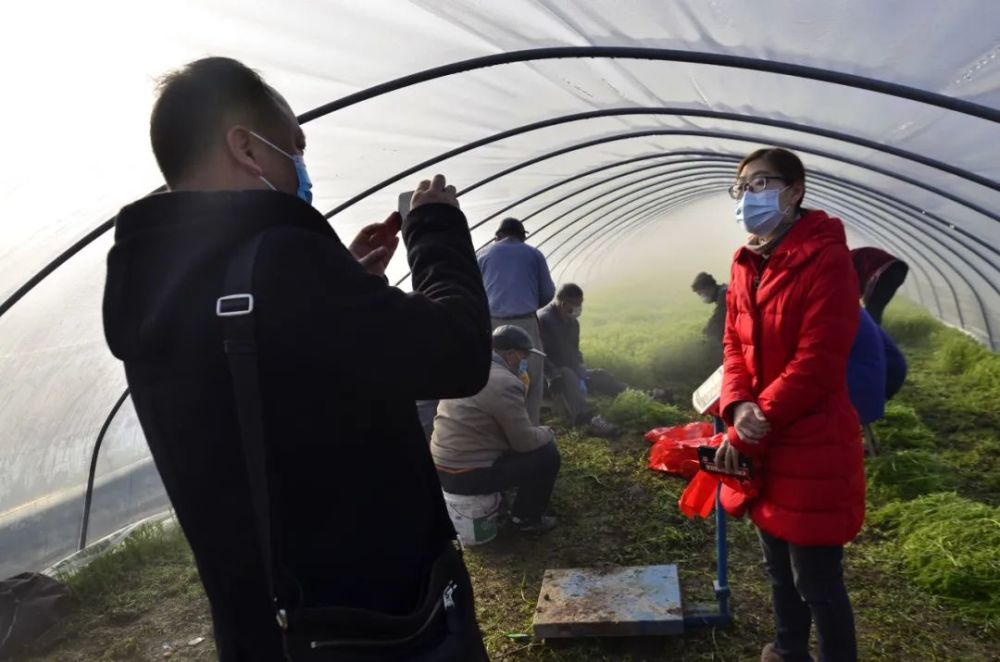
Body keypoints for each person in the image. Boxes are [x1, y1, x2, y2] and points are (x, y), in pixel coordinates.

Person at [102, 58, 491, 660]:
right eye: (293, 146)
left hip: (264, 628)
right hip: (372, 622)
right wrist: (435, 229)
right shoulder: (283, 262)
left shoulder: (154, 280)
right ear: (246, 148)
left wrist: (350, 285)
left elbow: (262, 378)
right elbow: (460, 354)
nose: (301, 167)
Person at [714, 147, 863, 662]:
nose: (747, 198)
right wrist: (736, 406)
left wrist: (757, 418)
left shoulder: (826, 257)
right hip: (762, 436)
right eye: (741, 188)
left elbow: (819, 359)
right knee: (777, 565)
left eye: (760, 184)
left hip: (810, 439)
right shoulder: (746, 261)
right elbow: (734, 345)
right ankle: (787, 649)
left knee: (817, 579)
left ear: (795, 191)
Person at [432, 326, 561, 533]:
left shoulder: (469, 368)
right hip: (468, 474)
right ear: (510, 355)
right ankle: (525, 519)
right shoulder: (504, 382)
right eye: (523, 356)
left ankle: (504, 500)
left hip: (442, 468)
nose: (524, 363)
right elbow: (524, 442)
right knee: (547, 454)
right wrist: (548, 431)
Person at [476, 217, 556, 425]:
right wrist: (528, 302)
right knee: (531, 378)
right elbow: (547, 292)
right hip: (525, 323)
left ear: (498, 236)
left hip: (492, 326)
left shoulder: (483, 254)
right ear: (521, 236)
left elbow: (474, 292)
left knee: (494, 376)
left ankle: (496, 429)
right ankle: (528, 430)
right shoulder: (533, 254)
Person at [537, 283, 622, 437]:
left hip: (568, 372)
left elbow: (575, 350)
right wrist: (553, 375)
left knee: (600, 375)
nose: (579, 309)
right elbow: (539, 355)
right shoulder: (544, 320)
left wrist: (579, 364)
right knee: (568, 374)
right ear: (564, 303)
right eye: (577, 305)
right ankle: (587, 420)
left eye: (581, 304)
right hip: (548, 379)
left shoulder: (572, 323)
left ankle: (634, 393)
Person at [850, 246, 909, 325]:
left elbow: (853, 287)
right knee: (875, 311)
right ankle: (873, 333)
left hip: (886, 271)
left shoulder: (847, 260)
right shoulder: (852, 255)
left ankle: (869, 335)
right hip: (898, 270)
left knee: (872, 312)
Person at [691, 272, 728, 347]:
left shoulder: (724, 295)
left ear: (708, 288)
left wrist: (706, 332)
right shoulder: (723, 291)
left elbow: (718, 318)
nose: (702, 296)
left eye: (700, 293)